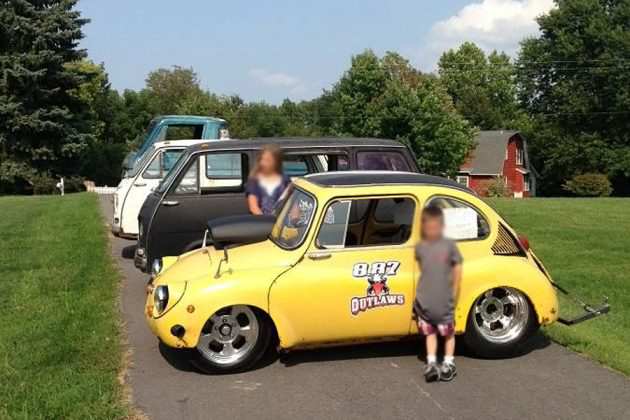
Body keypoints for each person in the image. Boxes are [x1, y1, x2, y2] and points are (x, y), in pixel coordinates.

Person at [414, 205, 463, 382]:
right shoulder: (421, 247)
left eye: (435, 228)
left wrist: (454, 289)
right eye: (428, 228)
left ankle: (449, 363)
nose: (432, 231)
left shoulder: (449, 246)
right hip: (426, 300)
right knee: (430, 333)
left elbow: (457, 266)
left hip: (444, 299)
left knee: (448, 332)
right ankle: (432, 362)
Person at [246, 145, 291, 215]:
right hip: (262, 221)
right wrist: (266, 222)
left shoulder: (285, 180)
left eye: (267, 160)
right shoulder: (254, 181)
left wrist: (294, 221)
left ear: (276, 162)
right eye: (262, 159)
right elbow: (253, 207)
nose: (263, 163)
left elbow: (292, 204)